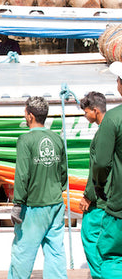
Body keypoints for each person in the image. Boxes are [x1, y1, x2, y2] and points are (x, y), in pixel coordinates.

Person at [8, 96, 68, 279]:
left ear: (30, 116)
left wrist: (17, 204)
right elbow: (63, 172)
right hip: (56, 204)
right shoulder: (57, 139)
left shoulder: (25, 140)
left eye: (25, 112)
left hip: (34, 206)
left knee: (23, 254)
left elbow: (22, 174)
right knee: (55, 252)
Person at [92, 61, 122, 278]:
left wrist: (99, 187)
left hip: (119, 206)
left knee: (112, 257)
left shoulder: (112, 119)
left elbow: (101, 163)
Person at [78, 91, 106, 279]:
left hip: (100, 199)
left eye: (86, 112)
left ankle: (101, 275)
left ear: (95, 111)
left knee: (89, 235)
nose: (85, 115)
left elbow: (99, 167)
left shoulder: (104, 133)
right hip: (111, 197)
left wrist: (88, 195)